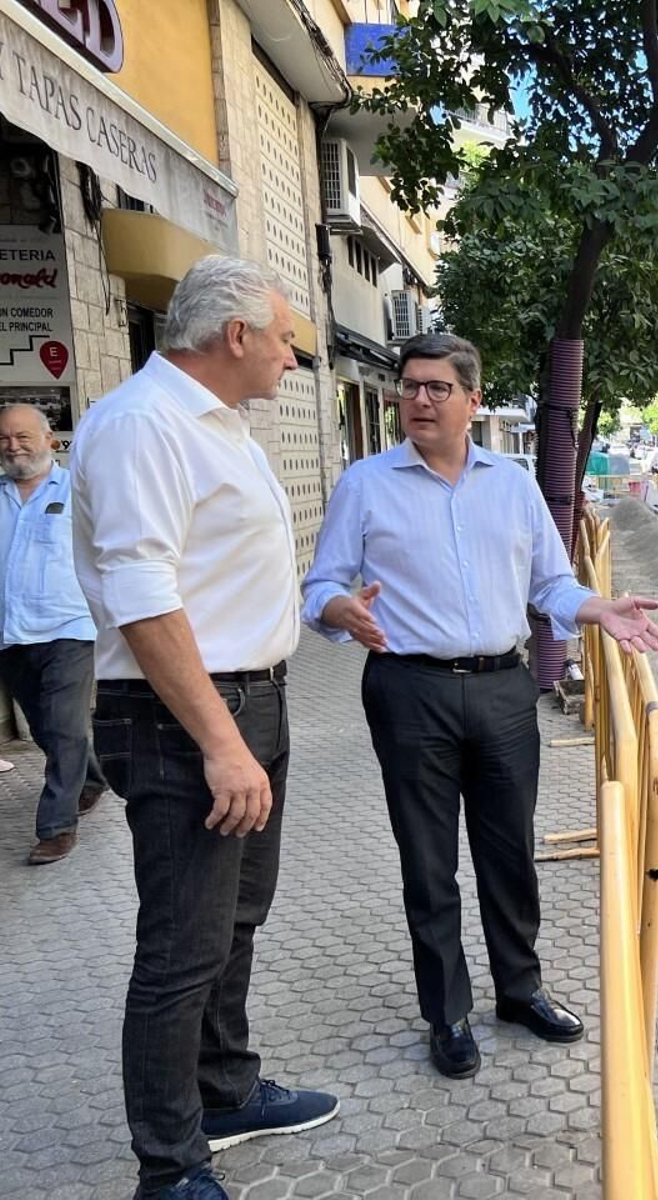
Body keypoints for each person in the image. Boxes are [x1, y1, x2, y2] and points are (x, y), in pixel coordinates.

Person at [302, 333, 658, 1082]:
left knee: (508, 852)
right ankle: (447, 1013)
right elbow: (318, 589)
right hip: (409, 691)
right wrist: (341, 610)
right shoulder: (365, 485)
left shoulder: (512, 484)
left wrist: (599, 608)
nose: (419, 400)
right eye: (409, 387)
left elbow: (551, 586)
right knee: (428, 863)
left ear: (473, 400)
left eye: (437, 388)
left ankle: (519, 989)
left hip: (504, 688)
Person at [71, 256, 338, 1200]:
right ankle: (170, 1164)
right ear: (235, 336)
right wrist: (221, 742)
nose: (292, 363)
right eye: (285, 342)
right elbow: (144, 600)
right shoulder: (144, 426)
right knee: (182, 948)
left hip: (250, 700)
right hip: (188, 715)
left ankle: (224, 1091)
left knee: (237, 917)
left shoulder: (219, 424)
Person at [0, 404, 107, 865]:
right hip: (10, 632)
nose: (13, 447)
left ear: (50, 441)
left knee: (64, 725)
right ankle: (93, 778)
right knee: (46, 727)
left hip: (69, 627)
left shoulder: (80, 492)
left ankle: (56, 827)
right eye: (4, 439)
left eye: (23, 437)